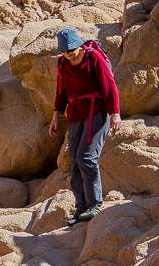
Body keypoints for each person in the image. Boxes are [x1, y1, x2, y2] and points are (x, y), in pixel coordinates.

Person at [47, 28, 121, 226]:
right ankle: (81, 208)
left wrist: (115, 113)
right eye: (65, 51)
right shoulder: (62, 63)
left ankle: (95, 204)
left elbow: (109, 85)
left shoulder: (93, 57)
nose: (69, 53)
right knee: (74, 160)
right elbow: (61, 91)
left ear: (79, 45)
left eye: (71, 49)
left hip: (97, 112)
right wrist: (56, 114)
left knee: (86, 156)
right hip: (76, 114)